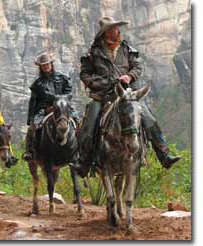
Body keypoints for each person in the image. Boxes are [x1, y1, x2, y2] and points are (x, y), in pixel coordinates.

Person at [77, 16, 180, 176]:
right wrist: (95, 84)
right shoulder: (93, 52)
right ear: (106, 32)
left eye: (117, 28)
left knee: (149, 119)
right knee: (89, 125)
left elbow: (137, 67)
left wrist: (129, 77)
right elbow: (84, 73)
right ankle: (84, 163)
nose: (116, 31)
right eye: (112, 28)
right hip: (102, 96)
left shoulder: (126, 48)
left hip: (127, 94)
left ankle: (164, 154)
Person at [23, 52, 78, 161]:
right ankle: (30, 151)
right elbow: (33, 101)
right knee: (32, 128)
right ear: (40, 67)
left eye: (47, 64)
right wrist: (30, 119)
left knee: (78, 122)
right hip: (44, 110)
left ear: (51, 64)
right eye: (43, 65)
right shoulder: (37, 84)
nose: (46, 66)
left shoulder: (62, 78)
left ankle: (79, 151)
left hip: (62, 108)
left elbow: (69, 92)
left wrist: (60, 101)